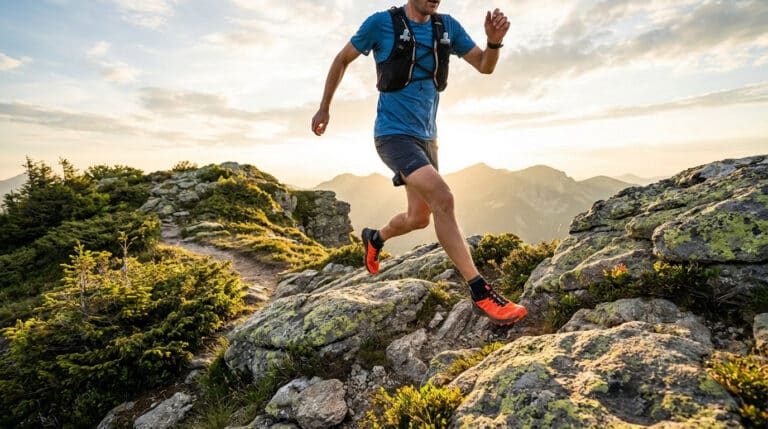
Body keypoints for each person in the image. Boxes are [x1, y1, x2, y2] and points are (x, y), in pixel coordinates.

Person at [311, 0, 527, 326]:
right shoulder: (380, 24)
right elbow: (342, 59)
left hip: (428, 139)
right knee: (444, 197)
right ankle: (480, 291)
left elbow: (485, 65)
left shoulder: (447, 27)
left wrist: (493, 42)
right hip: (393, 136)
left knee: (419, 218)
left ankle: (375, 238)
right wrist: (324, 107)